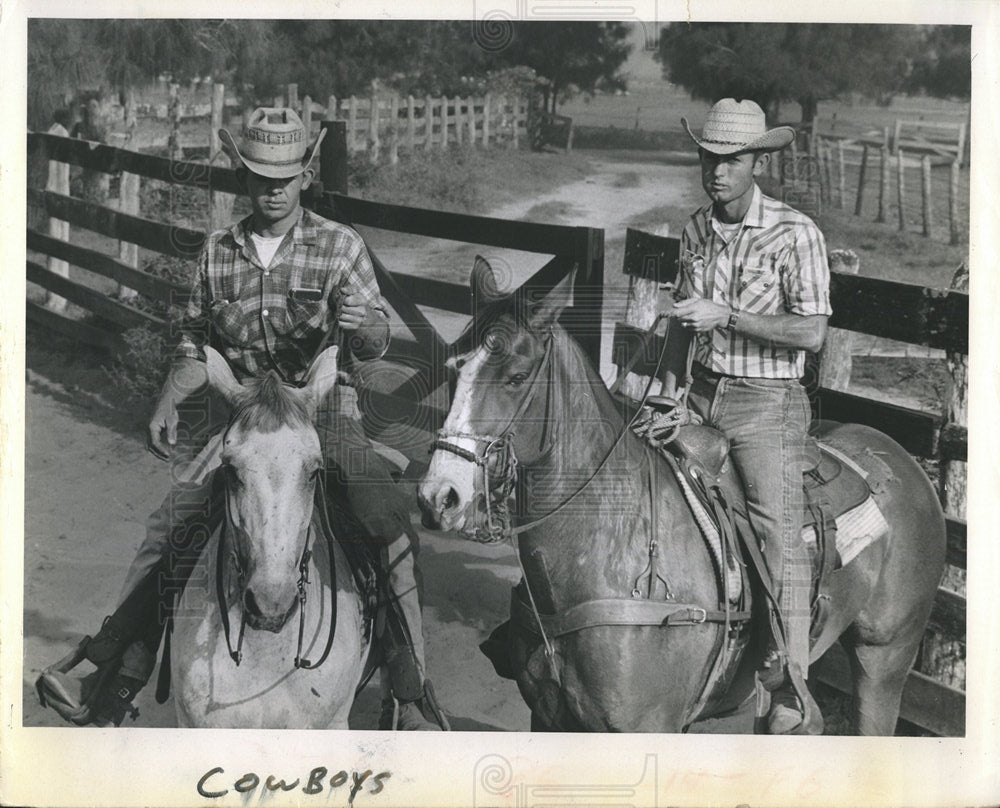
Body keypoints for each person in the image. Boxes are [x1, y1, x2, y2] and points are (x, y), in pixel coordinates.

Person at [37, 107, 445, 731]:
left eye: (285, 174)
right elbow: (195, 340)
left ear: (306, 174)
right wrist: (170, 393)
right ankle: (113, 672)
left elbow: (374, 345)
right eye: (259, 174)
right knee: (169, 525)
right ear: (243, 176)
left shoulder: (341, 246)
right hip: (245, 415)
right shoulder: (217, 252)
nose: (272, 187)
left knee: (387, 526)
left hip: (322, 409)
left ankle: (410, 690)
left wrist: (372, 330)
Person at [666, 98, 831, 734]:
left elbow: (812, 332)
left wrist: (727, 316)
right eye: (709, 157)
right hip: (702, 395)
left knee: (774, 531)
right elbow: (685, 321)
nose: (716, 171)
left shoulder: (795, 232)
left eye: (730, 160)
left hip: (767, 403)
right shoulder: (695, 229)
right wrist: (671, 393)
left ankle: (792, 686)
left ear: (757, 161)